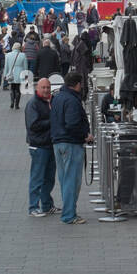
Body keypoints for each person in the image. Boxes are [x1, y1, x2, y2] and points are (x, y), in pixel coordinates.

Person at [50, 69, 92, 225]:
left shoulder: (57, 97)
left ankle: (69, 211)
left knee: (64, 179)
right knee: (72, 181)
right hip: (70, 143)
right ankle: (69, 214)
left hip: (58, 142)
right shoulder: (72, 100)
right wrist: (85, 135)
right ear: (77, 84)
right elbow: (72, 123)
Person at [26, 77, 57, 217]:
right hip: (39, 146)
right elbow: (33, 125)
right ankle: (33, 207)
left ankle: (47, 205)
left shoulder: (51, 101)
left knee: (49, 178)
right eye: (43, 88)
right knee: (37, 178)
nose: (46, 90)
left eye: (48, 88)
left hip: (50, 144)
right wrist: (51, 121)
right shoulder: (33, 103)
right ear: (37, 88)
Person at [4, 42, 27, 110]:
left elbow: (6, 66)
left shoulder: (8, 55)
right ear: (19, 48)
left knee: (12, 88)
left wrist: (5, 75)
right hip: (20, 74)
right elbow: (25, 66)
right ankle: (17, 104)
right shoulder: (23, 55)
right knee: (18, 89)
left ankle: (12, 102)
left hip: (11, 74)